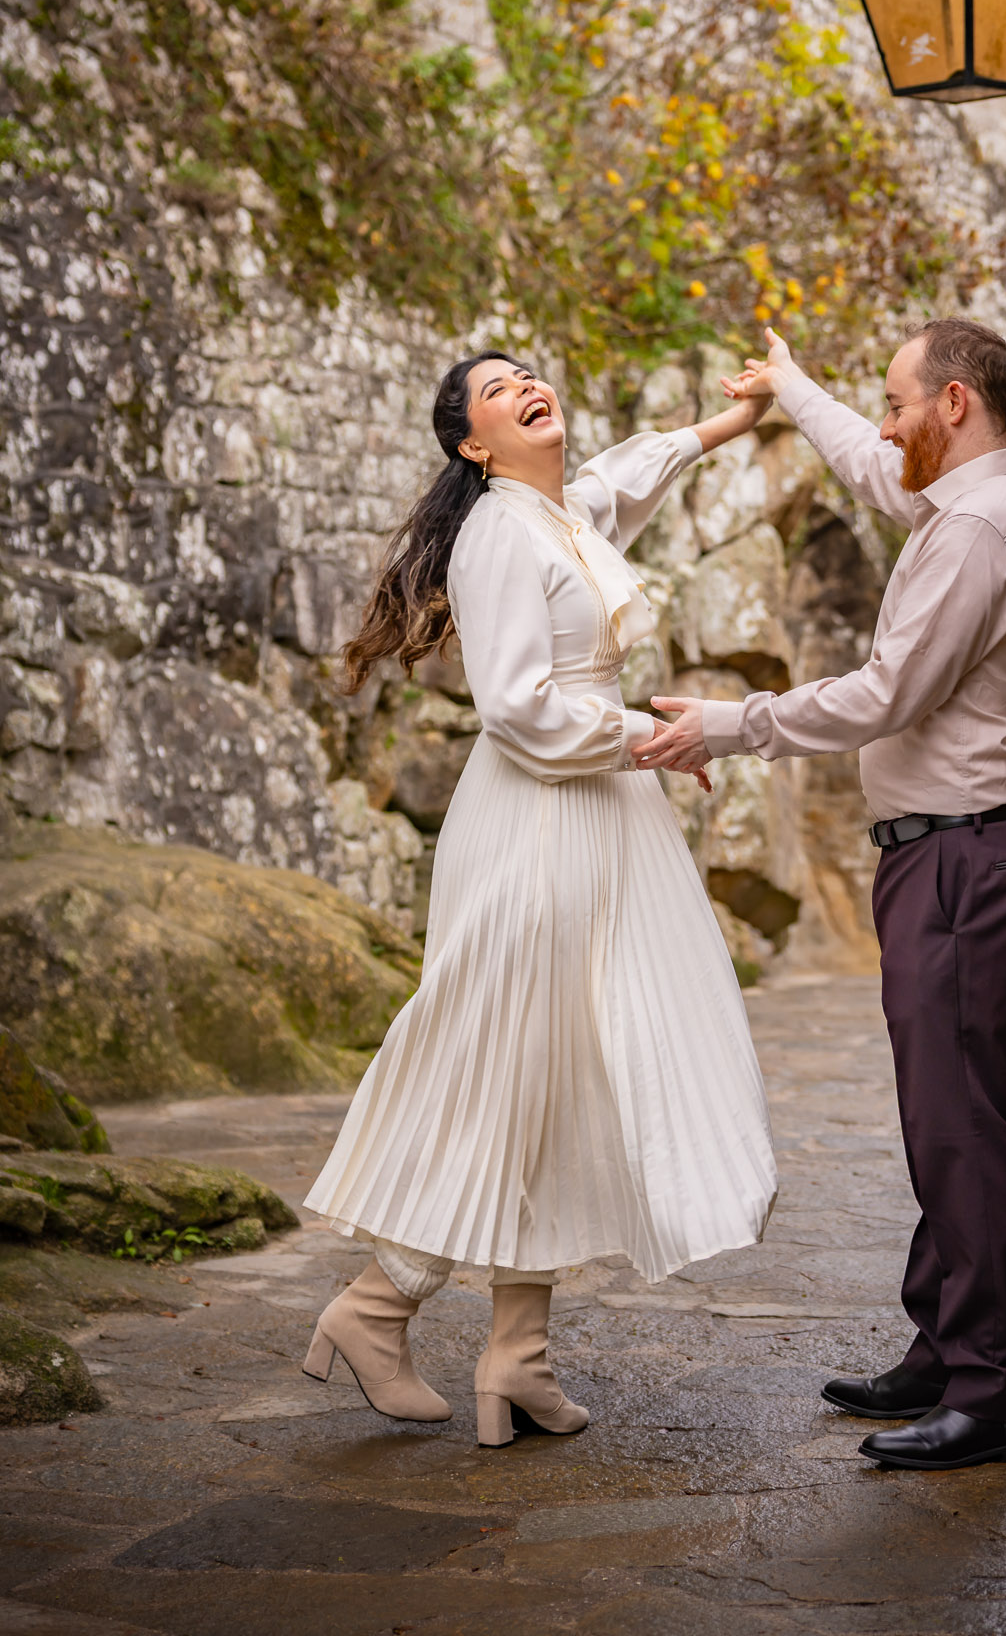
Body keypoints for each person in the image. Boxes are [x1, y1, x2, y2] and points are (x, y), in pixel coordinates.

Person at [302, 353, 778, 1446]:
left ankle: (518, 1353)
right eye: (497, 387)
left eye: (529, 371)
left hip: (604, 817)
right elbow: (517, 708)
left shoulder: (564, 516)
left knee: (565, 1071)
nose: (526, 383)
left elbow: (627, 473)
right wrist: (649, 737)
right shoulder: (497, 535)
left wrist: (730, 423)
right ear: (475, 444)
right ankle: (376, 1306)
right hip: (539, 818)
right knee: (505, 1063)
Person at [637, 318, 1006, 1472]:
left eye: (897, 400)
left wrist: (728, 723)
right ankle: (945, 1345)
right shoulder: (971, 495)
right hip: (956, 852)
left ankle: (993, 1389)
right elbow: (876, 465)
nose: (883, 422)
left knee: (959, 1123)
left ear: (956, 403)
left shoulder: (976, 527)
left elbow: (886, 692)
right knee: (947, 1112)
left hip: (966, 859)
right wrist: (791, 386)